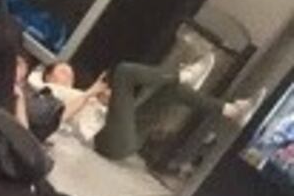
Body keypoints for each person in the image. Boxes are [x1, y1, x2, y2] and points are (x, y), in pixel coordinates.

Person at [93, 62, 266, 160]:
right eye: (64, 73)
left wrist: (98, 97)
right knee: (125, 71)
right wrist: (91, 93)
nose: (66, 72)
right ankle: (183, 76)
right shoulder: (69, 97)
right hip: (108, 142)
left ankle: (233, 111)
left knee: (173, 91)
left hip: (124, 135)